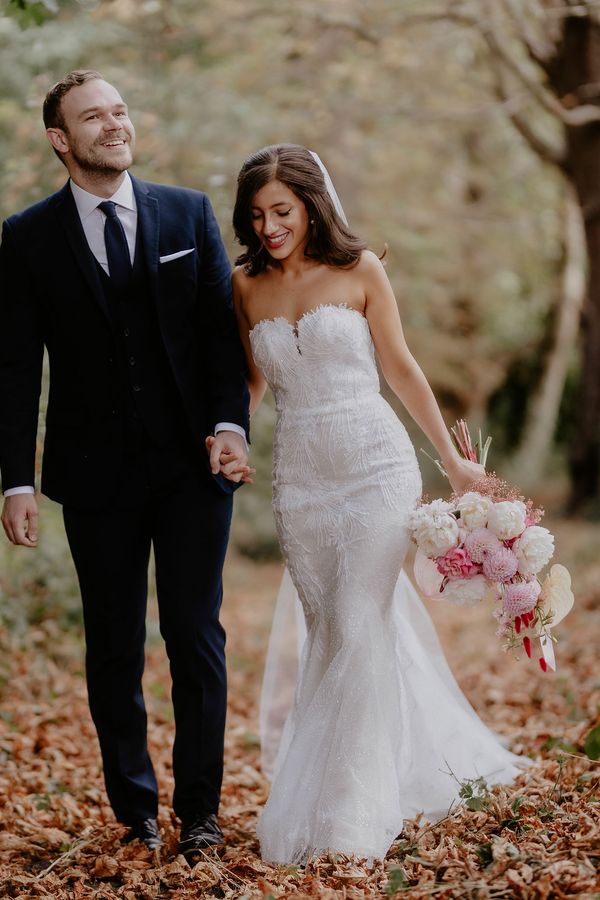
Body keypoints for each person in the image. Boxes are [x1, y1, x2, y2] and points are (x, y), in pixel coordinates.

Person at [229, 143, 530, 864]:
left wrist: (453, 461)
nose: (270, 226)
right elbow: (249, 386)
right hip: (301, 477)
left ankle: (348, 816)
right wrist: (230, 438)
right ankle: (398, 768)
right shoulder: (244, 286)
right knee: (330, 630)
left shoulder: (361, 270)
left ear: (310, 205)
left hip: (374, 465)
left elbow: (400, 365)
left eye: (283, 211)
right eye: (257, 215)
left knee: (361, 622)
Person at [0, 70, 252, 861]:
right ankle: (136, 809)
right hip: (95, 474)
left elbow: (219, 335)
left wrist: (228, 426)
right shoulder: (27, 236)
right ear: (60, 140)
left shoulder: (186, 212)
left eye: (118, 111)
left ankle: (201, 812)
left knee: (194, 636)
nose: (113, 125)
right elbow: (15, 368)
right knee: (113, 643)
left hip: (191, 468)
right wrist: (15, 478)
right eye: (92, 117)